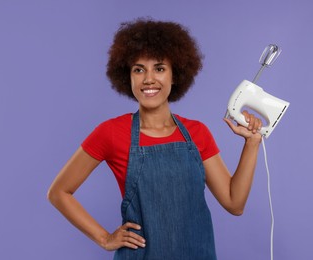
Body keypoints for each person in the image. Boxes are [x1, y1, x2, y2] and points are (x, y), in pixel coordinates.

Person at [47, 18, 262, 259]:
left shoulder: (196, 132)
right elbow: (59, 192)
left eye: (159, 68)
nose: (149, 79)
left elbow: (234, 203)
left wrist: (251, 144)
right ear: (128, 77)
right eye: (139, 69)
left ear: (175, 75)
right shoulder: (110, 132)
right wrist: (104, 238)